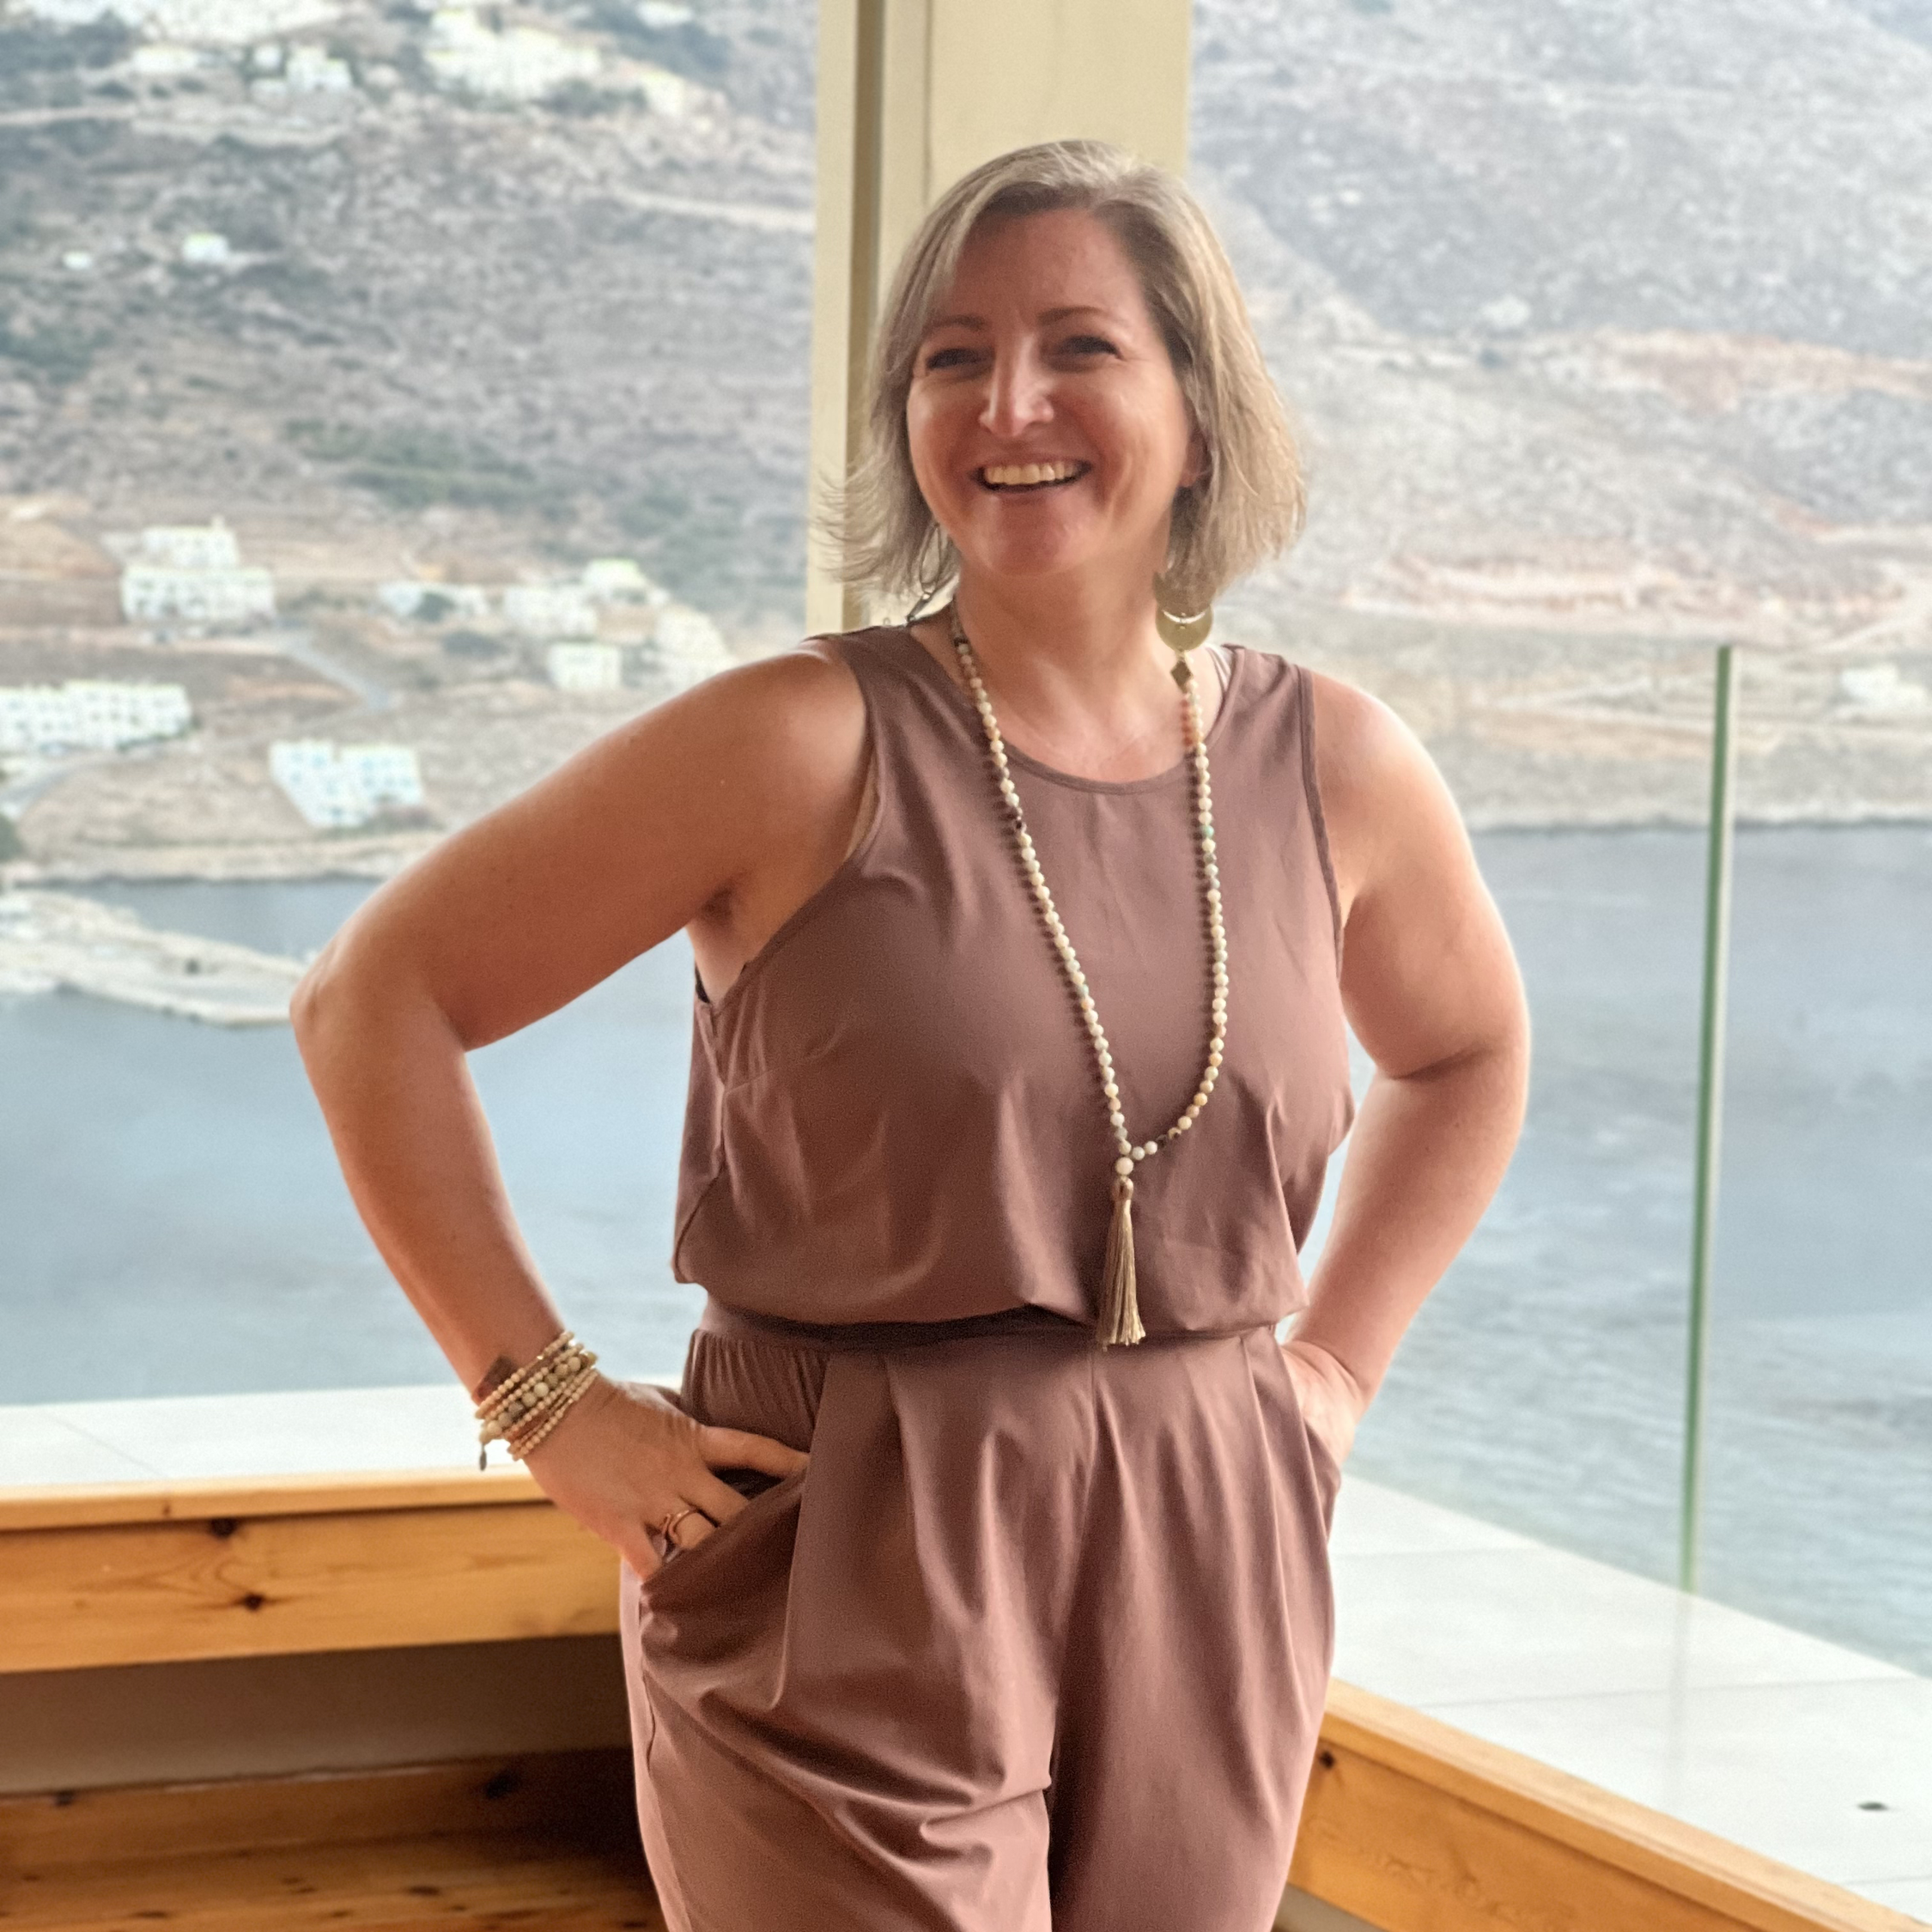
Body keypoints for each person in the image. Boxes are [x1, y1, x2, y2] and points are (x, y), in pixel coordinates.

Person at [294, 139, 1528, 1932]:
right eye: (954, 357)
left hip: (1208, 1519)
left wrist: (1334, 1367)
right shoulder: (791, 741)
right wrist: (548, 1404)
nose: (1009, 404)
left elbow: (1468, 1052)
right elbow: (371, 998)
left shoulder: (1332, 763)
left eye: (1078, 346)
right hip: (846, 1529)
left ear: (1198, 408)